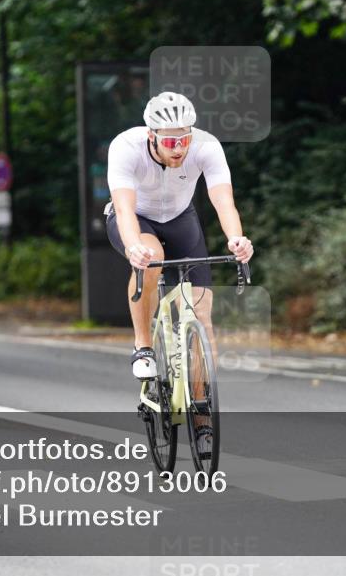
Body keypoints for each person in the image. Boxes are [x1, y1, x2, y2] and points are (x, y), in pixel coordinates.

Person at [105, 92, 253, 455]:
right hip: (136, 219)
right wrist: (132, 247)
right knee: (151, 255)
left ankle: (202, 420)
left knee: (202, 313)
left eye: (185, 139)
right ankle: (143, 347)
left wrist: (237, 238)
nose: (179, 148)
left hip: (181, 220)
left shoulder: (206, 146)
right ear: (151, 135)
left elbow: (223, 200)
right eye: (171, 141)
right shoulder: (126, 147)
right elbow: (124, 211)